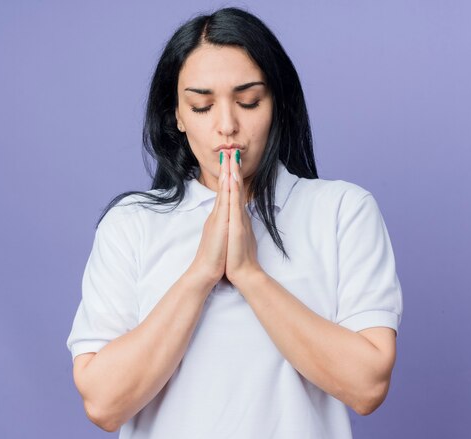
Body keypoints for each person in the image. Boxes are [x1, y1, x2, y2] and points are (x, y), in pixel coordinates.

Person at [66, 6, 403, 438]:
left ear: (276, 105)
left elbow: (367, 384)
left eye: (248, 101)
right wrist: (201, 274)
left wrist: (249, 274)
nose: (227, 125)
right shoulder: (131, 224)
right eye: (202, 106)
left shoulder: (341, 210)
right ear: (178, 116)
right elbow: (103, 403)